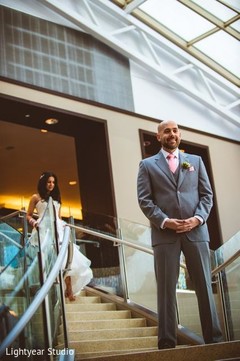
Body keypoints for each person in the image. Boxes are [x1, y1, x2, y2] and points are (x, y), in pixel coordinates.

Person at [137, 120, 223, 349]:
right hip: (165, 235)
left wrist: (197, 219)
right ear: (158, 136)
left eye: (175, 130)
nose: (171, 134)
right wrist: (166, 222)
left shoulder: (195, 161)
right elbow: (145, 201)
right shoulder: (147, 165)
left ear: (180, 135)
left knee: (204, 285)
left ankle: (214, 340)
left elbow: (207, 196)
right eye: (167, 131)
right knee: (166, 290)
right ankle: (167, 343)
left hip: (196, 232)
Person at [27, 171, 93, 301]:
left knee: (66, 257)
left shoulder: (57, 198)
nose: (51, 184)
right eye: (49, 182)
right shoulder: (35, 197)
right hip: (42, 229)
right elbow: (28, 214)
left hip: (58, 229)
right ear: (43, 182)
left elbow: (59, 217)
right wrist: (33, 222)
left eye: (53, 182)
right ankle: (50, 290)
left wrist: (64, 225)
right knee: (47, 259)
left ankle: (69, 288)